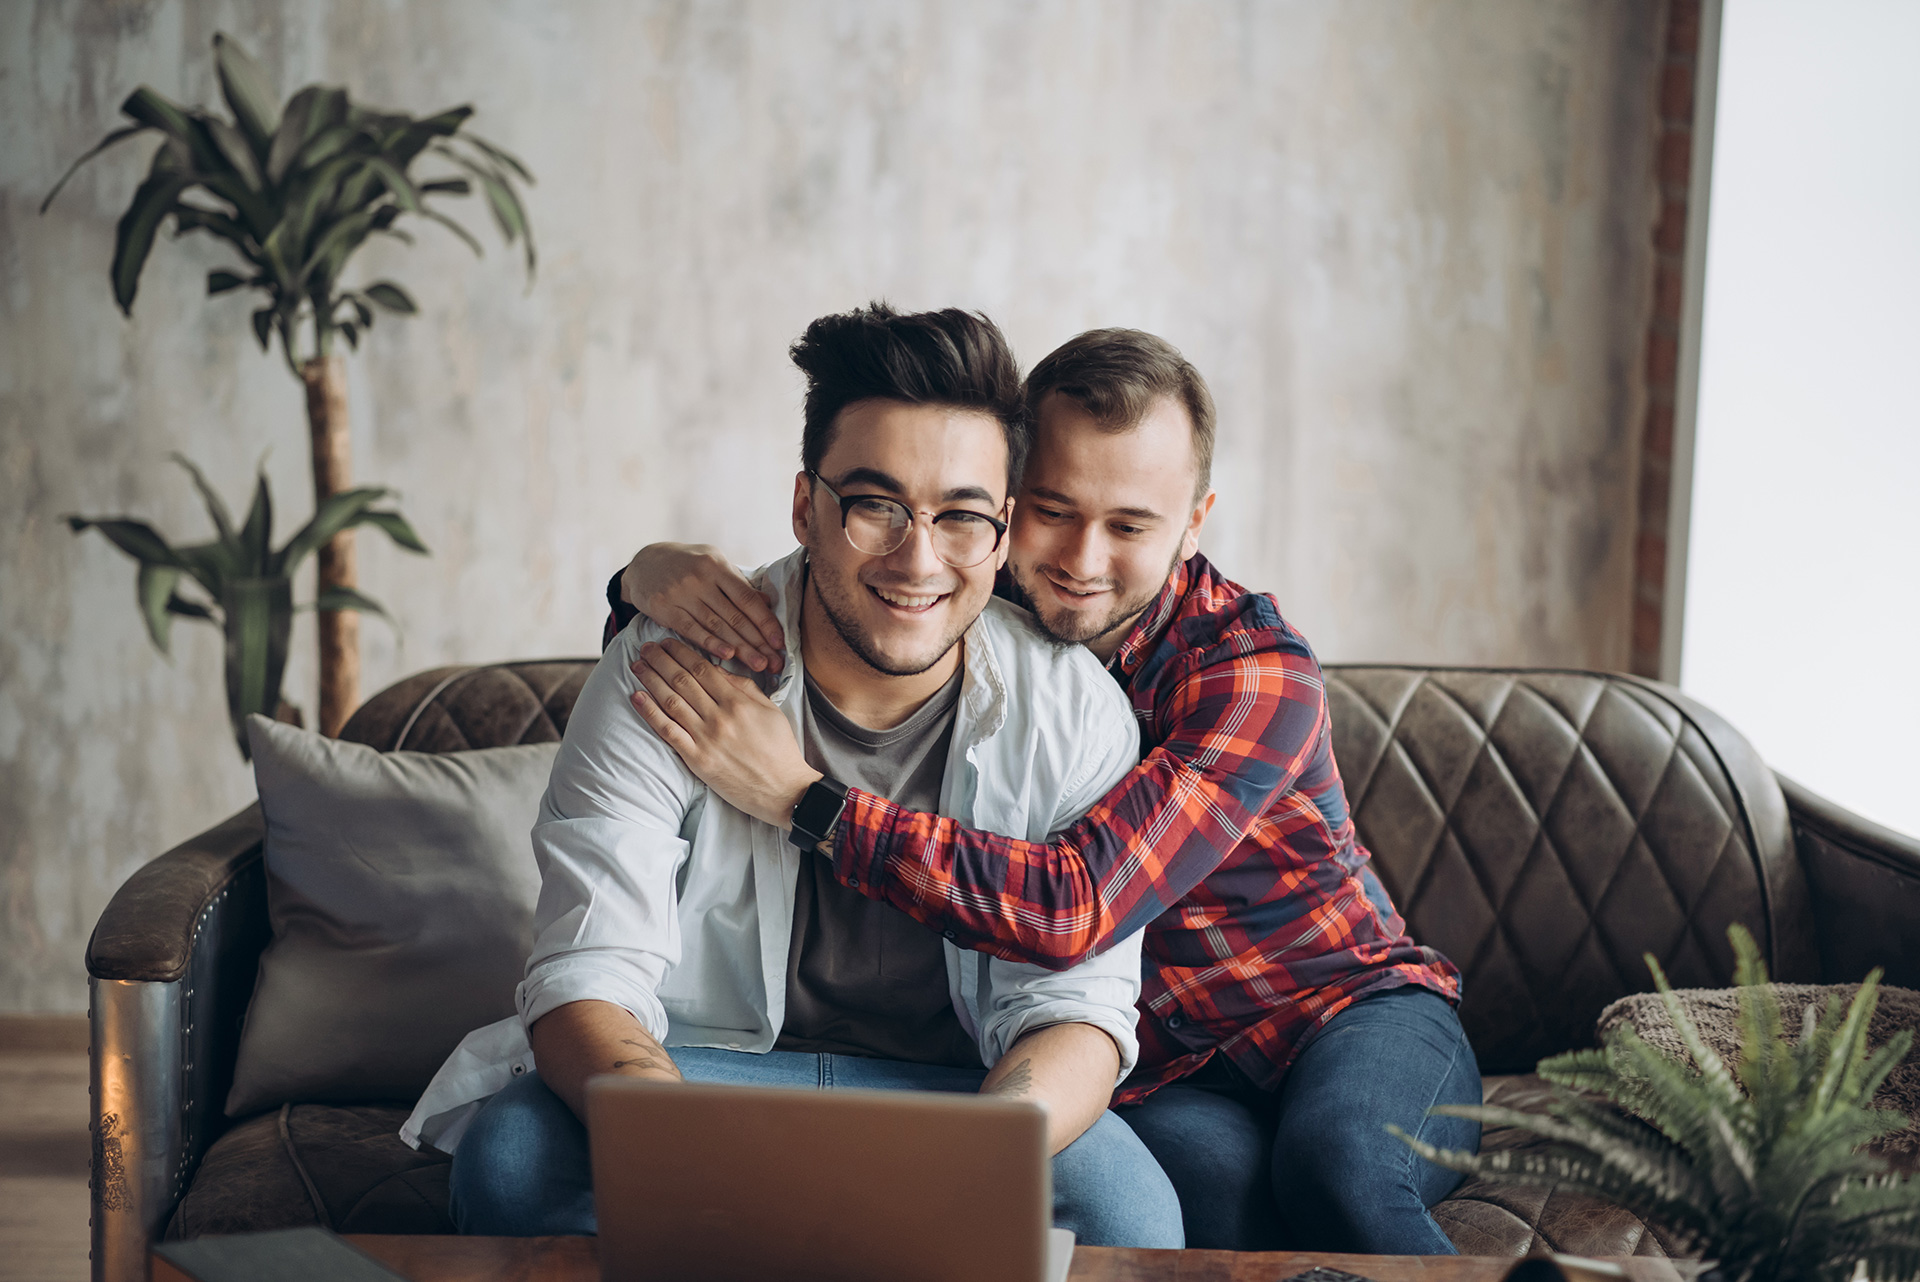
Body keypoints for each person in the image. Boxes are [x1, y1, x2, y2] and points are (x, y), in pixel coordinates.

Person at [614, 327, 1482, 1254]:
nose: (1082, 557)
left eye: (1131, 525)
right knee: (1202, 1201)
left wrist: (805, 799)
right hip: (1170, 1069)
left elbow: (1077, 904)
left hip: (1341, 1012)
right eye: (1053, 509)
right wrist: (641, 582)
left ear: (1195, 520)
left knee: (1341, 1165)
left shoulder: (1254, 676)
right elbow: (842, 584)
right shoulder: (985, 601)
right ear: (1008, 496)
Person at [400, 305, 1182, 1249]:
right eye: (874, 505)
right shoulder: (668, 666)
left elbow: (1079, 1010)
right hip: (700, 1070)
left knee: (1130, 1210)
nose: (918, 558)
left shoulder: (1075, 707)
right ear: (806, 505)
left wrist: (982, 1150)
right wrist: (676, 1137)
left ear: (1005, 529)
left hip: (958, 1096)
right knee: (512, 1159)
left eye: (962, 517)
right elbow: (588, 972)